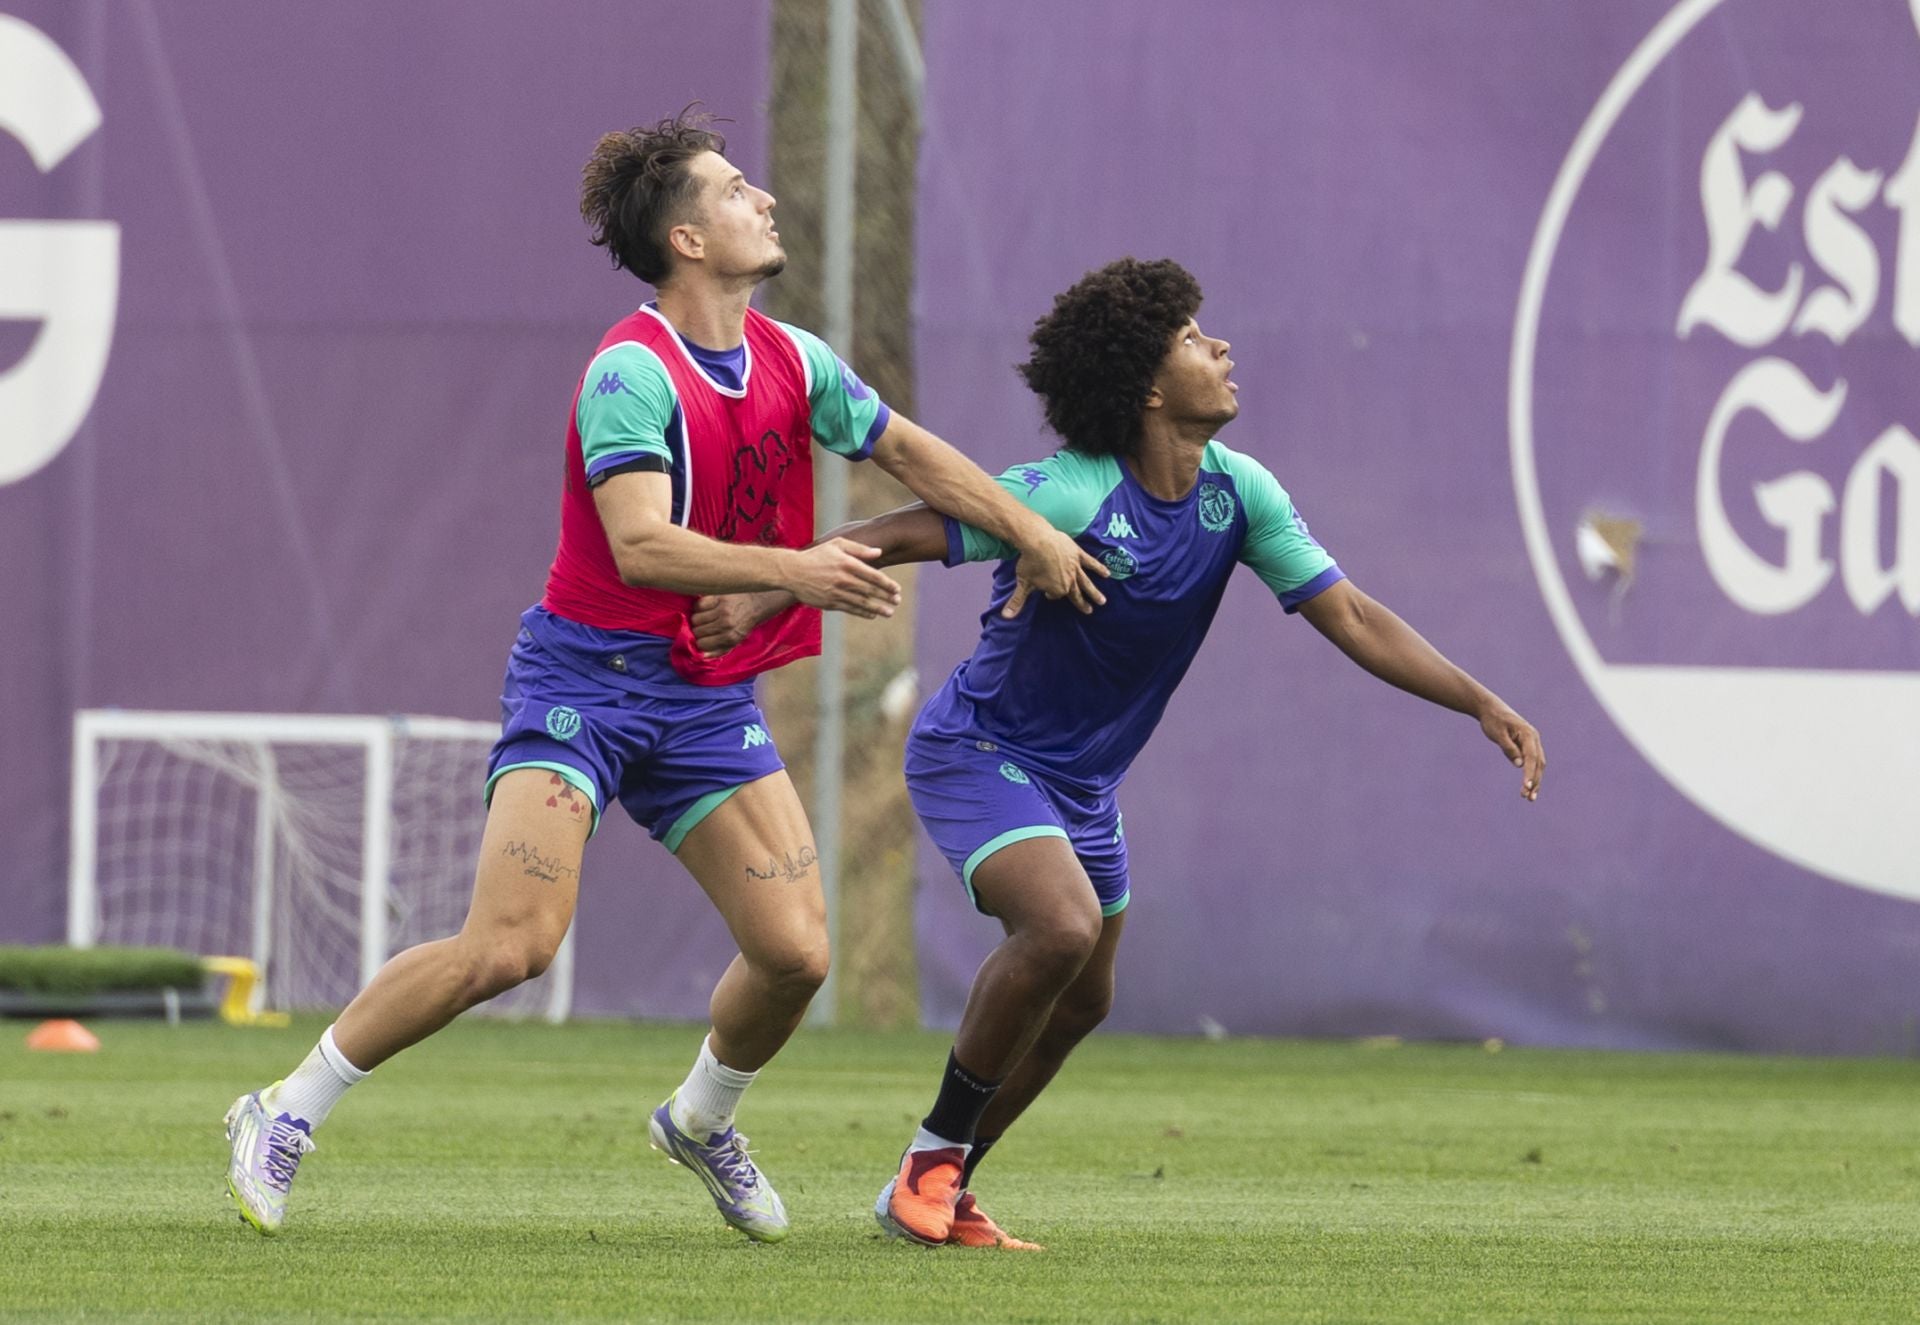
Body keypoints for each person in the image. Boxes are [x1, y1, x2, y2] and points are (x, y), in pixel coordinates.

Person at [223, 110, 1105, 1243]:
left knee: (795, 953)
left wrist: (1028, 529)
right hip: (582, 683)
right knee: (512, 944)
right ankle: (284, 1107)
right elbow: (640, 543)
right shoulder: (629, 373)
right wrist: (797, 567)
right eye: (738, 189)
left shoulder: (793, 358)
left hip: (700, 695)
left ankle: (699, 1117)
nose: (765, 200)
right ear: (687, 237)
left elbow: (912, 452)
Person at [691, 257, 1545, 1250]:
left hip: (1083, 785)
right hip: (979, 748)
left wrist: (1480, 701)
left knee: (1084, 994)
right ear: (1147, 385)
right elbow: (907, 528)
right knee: (1060, 923)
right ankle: (930, 1161)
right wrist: (772, 585)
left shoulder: (1240, 494)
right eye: (1192, 337)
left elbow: (1349, 614)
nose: (1220, 349)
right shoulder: (1071, 490)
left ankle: (940, 1179)